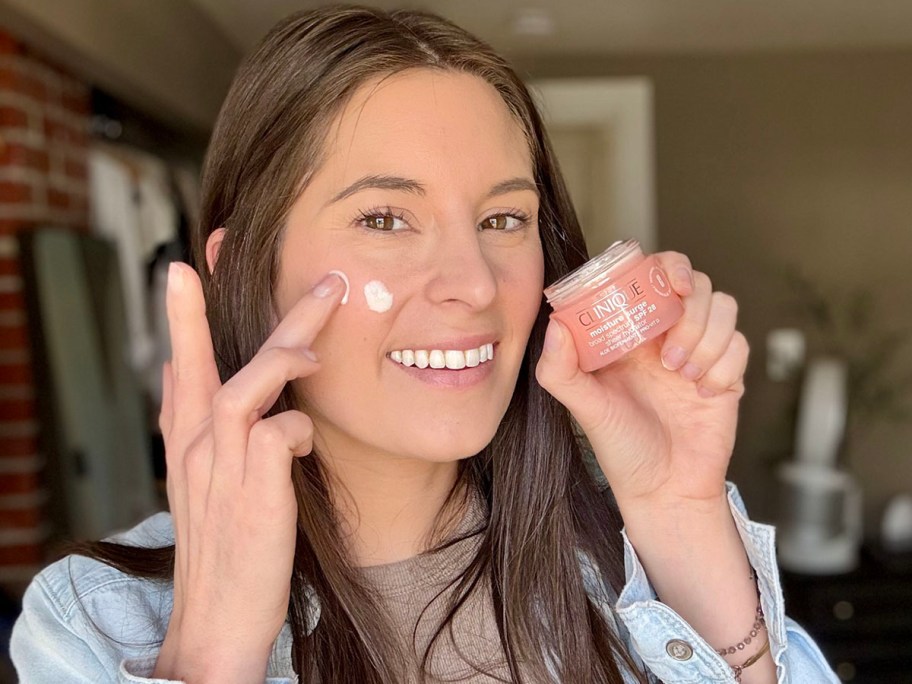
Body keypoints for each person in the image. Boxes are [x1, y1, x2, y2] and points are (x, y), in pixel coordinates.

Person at [11, 5, 839, 683]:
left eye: (502, 219)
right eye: (384, 219)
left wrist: (680, 512)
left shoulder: (622, 571)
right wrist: (215, 648)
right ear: (245, 274)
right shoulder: (90, 619)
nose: (474, 283)